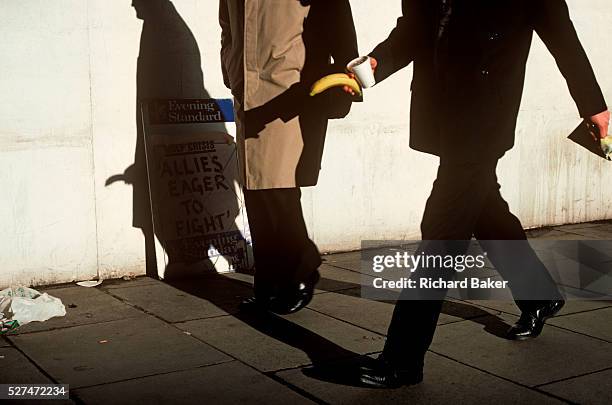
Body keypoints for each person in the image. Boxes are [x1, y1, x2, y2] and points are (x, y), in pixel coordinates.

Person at [346, 0, 610, 388]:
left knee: (442, 227)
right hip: (442, 106)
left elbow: (562, 35)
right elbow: (415, 28)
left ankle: (403, 358)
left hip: (487, 111)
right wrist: (376, 63)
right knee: (485, 209)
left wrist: (594, 105)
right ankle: (537, 295)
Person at [219, 0, 358, 314]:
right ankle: (268, 283)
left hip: (289, 89)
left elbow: (337, 17)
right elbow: (226, 26)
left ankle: (301, 269)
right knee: (257, 190)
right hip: (247, 89)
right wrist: (230, 68)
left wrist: (347, 72)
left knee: (279, 186)